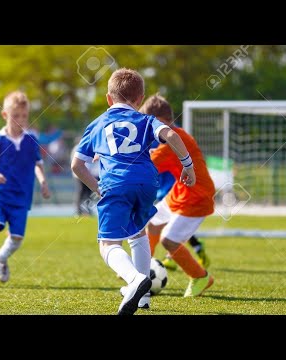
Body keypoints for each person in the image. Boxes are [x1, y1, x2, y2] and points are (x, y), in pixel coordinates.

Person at [71, 68, 196, 315]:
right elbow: (170, 134)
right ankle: (144, 297)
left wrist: (97, 188)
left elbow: (77, 165)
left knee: (107, 244)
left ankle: (134, 279)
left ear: (109, 98)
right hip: (147, 184)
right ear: (140, 100)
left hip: (116, 183)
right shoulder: (146, 119)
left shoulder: (97, 124)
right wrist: (188, 165)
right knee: (138, 233)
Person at [0, 91, 51, 289]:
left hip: (22, 198)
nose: (20, 120)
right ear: (5, 115)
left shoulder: (31, 141)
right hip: (0, 195)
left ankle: (1, 258)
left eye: (24, 116)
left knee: (16, 239)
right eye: (16, 116)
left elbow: (37, 164)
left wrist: (43, 181)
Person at [141, 94, 216, 298]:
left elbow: (147, 164)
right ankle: (140, 269)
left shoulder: (173, 142)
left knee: (169, 241)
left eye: (150, 125)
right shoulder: (175, 135)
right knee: (154, 223)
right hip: (180, 192)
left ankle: (200, 276)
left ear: (161, 122)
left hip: (197, 199)